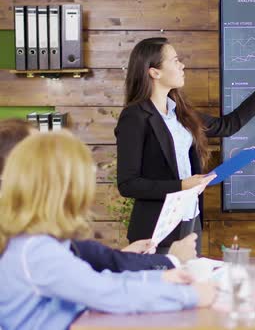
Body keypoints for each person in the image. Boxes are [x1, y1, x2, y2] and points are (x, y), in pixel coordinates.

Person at [0, 131, 217, 330]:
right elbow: (107, 293)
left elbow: (99, 282)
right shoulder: (37, 251)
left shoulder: (32, 242)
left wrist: (161, 280)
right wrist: (191, 296)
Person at [116, 37, 255, 252]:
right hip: (156, 229)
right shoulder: (135, 117)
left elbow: (227, 125)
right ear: (154, 72)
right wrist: (181, 186)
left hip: (190, 219)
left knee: (188, 282)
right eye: (175, 61)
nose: (182, 65)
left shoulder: (181, 112)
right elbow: (128, 184)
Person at [0, 118, 195, 272]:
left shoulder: (34, 222)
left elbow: (87, 260)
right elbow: (98, 286)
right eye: (39, 151)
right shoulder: (29, 240)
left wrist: (128, 255)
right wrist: (172, 260)